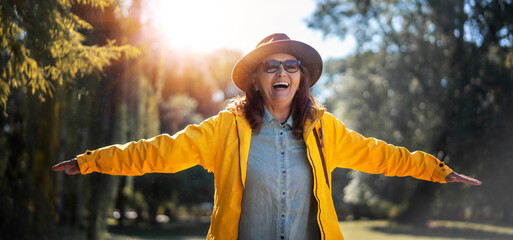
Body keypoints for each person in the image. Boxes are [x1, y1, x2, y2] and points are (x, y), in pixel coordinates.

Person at [52, 33, 481, 240]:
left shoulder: (324, 131)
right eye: (271, 66)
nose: (281, 72)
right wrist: (94, 161)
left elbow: (384, 156)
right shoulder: (224, 130)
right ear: (256, 80)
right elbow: (158, 152)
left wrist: (438, 171)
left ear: (301, 78)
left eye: (290, 65)